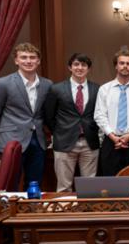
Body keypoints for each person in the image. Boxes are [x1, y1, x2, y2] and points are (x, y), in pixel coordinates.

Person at [0, 42, 53, 189]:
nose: (28, 61)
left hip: (38, 141)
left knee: (35, 182)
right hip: (11, 141)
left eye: (32, 57)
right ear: (16, 60)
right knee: (10, 182)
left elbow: (46, 113)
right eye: (23, 57)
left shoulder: (47, 84)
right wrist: (4, 132)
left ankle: (32, 209)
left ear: (38, 61)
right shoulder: (3, 83)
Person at [44, 53, 101, 192]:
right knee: (64, 187)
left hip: (90, 142)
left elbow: (100, 114)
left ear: (88, 69)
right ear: (70, 67)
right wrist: (59, 131)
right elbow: (48, 116)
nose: (79, 68)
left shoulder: (97, 89)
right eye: (76, 64)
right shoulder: (56, 89)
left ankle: (87, 212)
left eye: (83, 65)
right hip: (64, 142)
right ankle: (65, 212)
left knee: (90, 188)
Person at [93, 49, 129, 176]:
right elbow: (99, 115)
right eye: (122, 63)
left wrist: (128, 136)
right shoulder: (104, 89)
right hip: (110, 140)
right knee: (111, 182)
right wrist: (114, 137)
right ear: (116, 66)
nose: (125, 66)